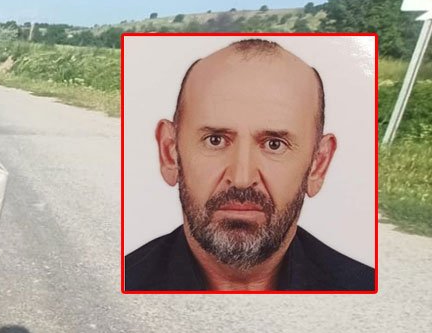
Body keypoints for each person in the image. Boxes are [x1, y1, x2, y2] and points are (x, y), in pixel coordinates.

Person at [125, 39, 374, 291]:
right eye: (215, 140)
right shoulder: (123, 284)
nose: (242, 178)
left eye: (274, 144)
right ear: (170, 153)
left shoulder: (361, 287)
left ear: (318, 164)